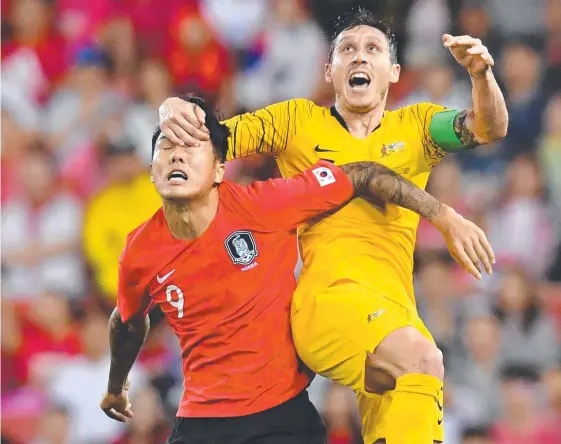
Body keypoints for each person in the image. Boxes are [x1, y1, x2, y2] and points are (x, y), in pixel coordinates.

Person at [158, 8, 508, 443]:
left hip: (395, 313)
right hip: (328, 301)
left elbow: (489, 128)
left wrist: (481, 76)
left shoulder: (416, 126)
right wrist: (177, 110)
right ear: (330, 70)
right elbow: (214, 140)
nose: (359, 57)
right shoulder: (296, 121)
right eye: (347, 49)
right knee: (423, 360)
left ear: (394, 71)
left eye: (372, 49)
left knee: (408, 410)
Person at [100, 97, 493, 444]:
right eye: (166, 147)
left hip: (280, 419)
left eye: (191, 147)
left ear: (220, 170)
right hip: (201, 421)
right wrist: (116, 387)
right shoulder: (140, 251)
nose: (177, 155)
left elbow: (363, 173)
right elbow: (128, 321)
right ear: (151, 172)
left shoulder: (265, 205)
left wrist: (442, 216)